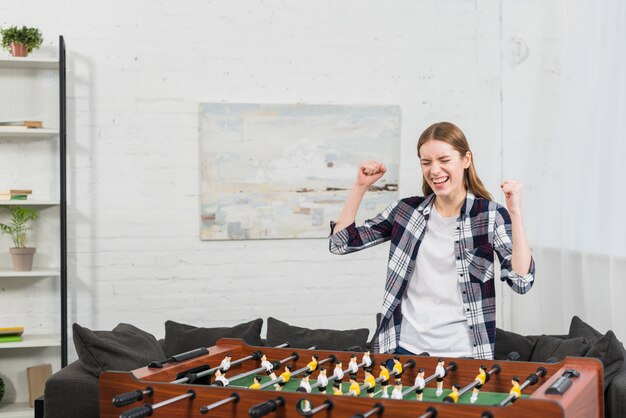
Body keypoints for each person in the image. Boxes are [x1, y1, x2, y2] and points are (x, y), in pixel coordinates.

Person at [329, 121, 535, 360]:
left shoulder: (489, 215)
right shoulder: (406, 211)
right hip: (402, 348)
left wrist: (515, 212)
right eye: (426, 162)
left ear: (466, 160)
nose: (434, 170)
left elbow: (521, 281)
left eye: (444, 160)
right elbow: (341, 243)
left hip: (464, 353)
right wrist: (360, 186)